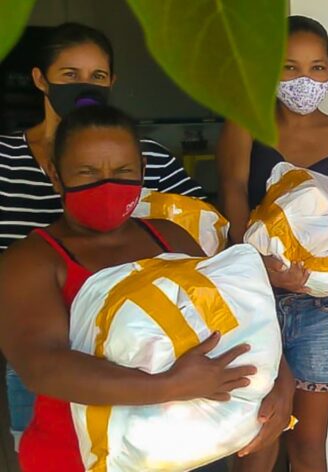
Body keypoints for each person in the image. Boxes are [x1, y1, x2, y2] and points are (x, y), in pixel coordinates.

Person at [0, 105, 293, 471]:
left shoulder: (171, 236)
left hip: (186, 449)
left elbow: (240, 320)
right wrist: (171, 386)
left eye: (122, 171)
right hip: (76, 457)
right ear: (55, 175)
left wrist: (283, 385)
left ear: (142, 169)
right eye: (88, 172)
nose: (107, 185)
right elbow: (42, 366)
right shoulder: (30, 261)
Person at [0, 21, 203, 453]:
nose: (84, 86)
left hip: (143, 343)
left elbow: (204, 225)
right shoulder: (4, 160)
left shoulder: (148, 157)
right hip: (35, 333)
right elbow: (41, 365)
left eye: (96, 76)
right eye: (69, 74)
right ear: (40, 79)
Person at [215, 15, 328, 471]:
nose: (304, 80)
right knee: (255, 438)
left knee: (309, 443)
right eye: (289, 67)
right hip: (255, 298)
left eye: (316, 68)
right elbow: (232, 201)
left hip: (324, 309)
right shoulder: (244, 128)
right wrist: (262, 268)